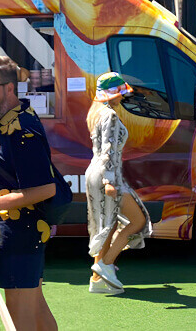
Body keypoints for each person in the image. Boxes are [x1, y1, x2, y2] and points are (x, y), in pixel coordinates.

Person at [0, 55, 72, 331]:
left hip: (21, 235)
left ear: (10, 89)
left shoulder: (22, 132)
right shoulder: (1, 115)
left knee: (22, 320)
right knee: (37, 312)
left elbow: (45, 188)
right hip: (15, 233)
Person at [85, 72, 153, 295]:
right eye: (120, 93)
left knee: (107, 227)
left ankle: (97, 279)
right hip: (107, 175)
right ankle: (105, 264)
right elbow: (110, 151)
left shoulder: (95, 112)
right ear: (112, 93)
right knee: (138, 221)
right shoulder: (110, 116)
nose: (122, 98)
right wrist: (109, 181)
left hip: (95, 172)